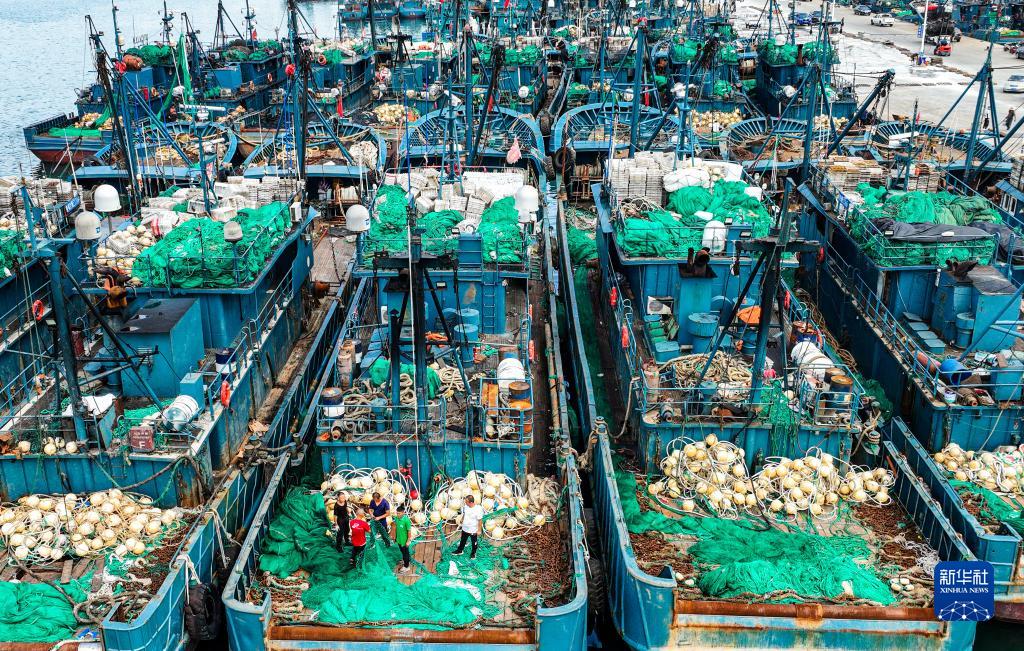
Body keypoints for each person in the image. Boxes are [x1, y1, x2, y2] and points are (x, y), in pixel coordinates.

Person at [452, 494, 483, 560]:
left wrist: (479, 530)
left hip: (473, 529)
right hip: (465, 528)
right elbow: (465, 513)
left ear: (471, 502)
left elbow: (480, 520)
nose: (465, 503)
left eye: (466, 502)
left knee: (474, 542)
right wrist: (462, 519)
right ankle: (460, 550)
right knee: (463, 540)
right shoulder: (466, 507)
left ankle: (473, 553)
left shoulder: (478, 509)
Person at [394, 504, 412, 574]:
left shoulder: (406, 520)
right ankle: (405, 561)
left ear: (403, 513)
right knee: (402, 552)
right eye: (397, 513)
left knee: (405, 554)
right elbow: (396, 528)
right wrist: (395, 537)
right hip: (399, 540)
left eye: (399, 513)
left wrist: (408, 541)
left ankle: (406, 566)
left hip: (404, 541)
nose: (397, 514)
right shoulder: (396, 518)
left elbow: (409, 531)